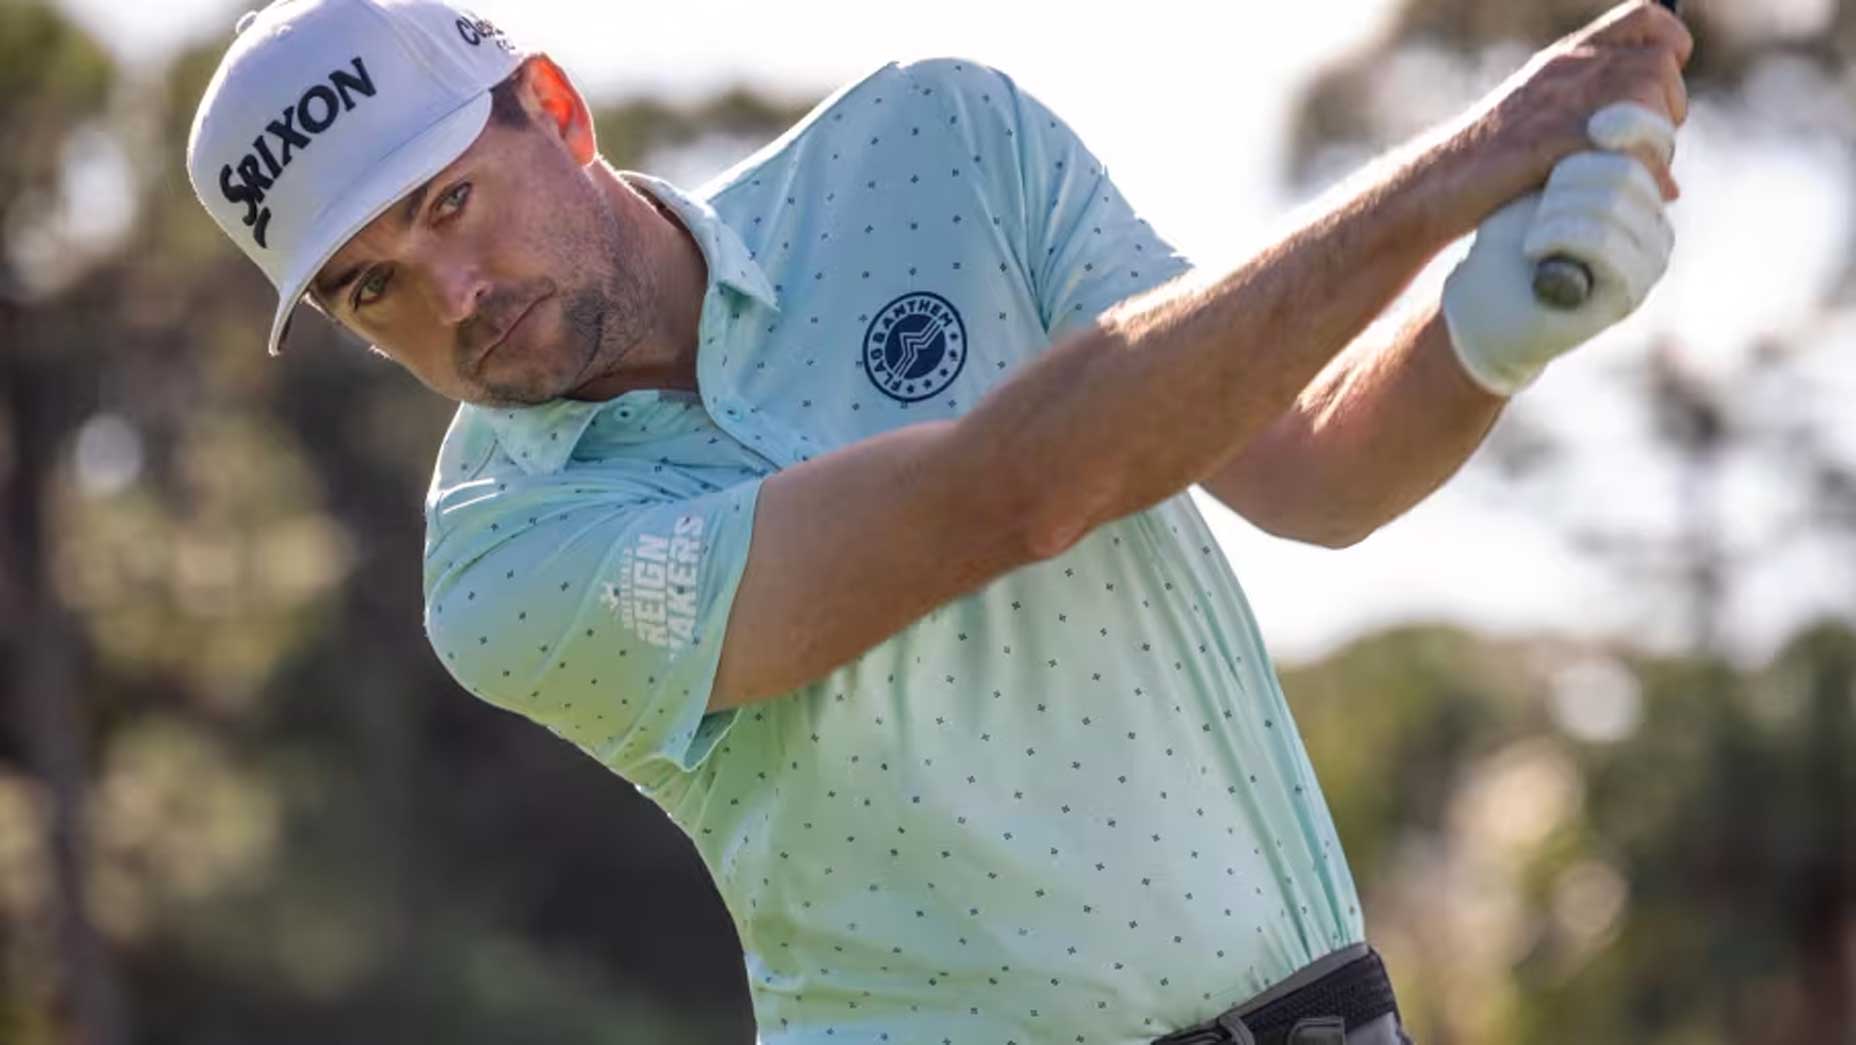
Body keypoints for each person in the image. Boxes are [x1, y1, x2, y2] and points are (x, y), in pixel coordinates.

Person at [186, 1, 1692, 1042]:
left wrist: (1492, 325)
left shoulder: (938, 148)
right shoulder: (502, 557)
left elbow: (1319, 470)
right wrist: (1456, 169)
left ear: (559, 111)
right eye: (370, 285)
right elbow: (1011, 498)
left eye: (448, 204)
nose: (450, 298)